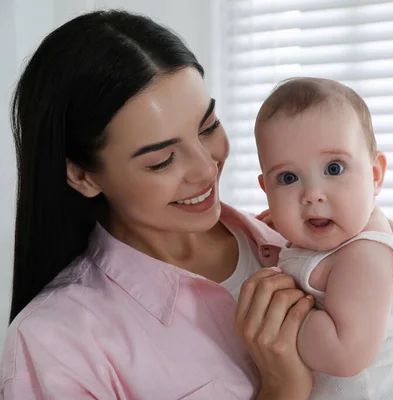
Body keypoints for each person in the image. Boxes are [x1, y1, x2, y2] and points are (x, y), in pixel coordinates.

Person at [0, 10, 317, 400]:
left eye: (208, 127)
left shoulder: (287, 244)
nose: (206, 169)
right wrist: (283, 389)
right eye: (162, 160)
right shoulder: (55, 345)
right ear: (83, 175)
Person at [253, 77, 393, 399]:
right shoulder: (330, 235)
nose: (311, 195)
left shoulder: (365, 256)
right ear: (267, 190)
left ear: (375, 175)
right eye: (288, 178)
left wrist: (283, 314)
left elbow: (343, 354)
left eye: (334, 169)